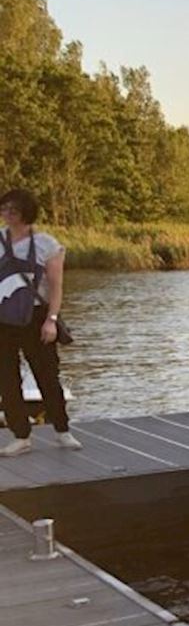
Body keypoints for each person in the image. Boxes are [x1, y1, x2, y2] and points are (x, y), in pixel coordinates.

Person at [0, 188, 78, 454]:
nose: (7, 215)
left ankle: (62, 430)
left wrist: (51, 320)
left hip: (36, 317)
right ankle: (20, 436)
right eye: (4, 209)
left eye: (13, 210)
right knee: (7, 379)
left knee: (47, 375)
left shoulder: (46, 244)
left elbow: (55, 287)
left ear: (26, 213)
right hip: (3, 317)